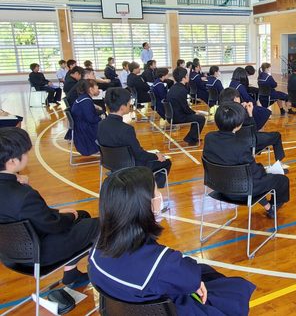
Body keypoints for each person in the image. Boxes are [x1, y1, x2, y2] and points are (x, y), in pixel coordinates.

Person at [88, 166, 255, 314]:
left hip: (124, 308)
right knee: (235, 289)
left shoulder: (95, 250)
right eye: (156, 191)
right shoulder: (164, 263)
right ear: (145, 206)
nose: (160, 194)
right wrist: (194, 282)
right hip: (171, 309)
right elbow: (190, 278)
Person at [0, 127, 99, 286]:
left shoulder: (15, 189)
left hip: (8, 251)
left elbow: (23, 215)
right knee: (98, 225)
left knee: (83, 215)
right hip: (38, 254)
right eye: (25, 154)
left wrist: (59, 213)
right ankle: (107, 275)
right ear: (12, 161)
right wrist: (68, 215)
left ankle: (71, 274)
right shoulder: (24, 195)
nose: (27, 156)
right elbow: (53, 226)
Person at [203, 102, 290, 218]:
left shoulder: (209, 138)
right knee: (282, 180)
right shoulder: (240, 146)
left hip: (218, 186)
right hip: (240, 191)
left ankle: (268, 207)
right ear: (238, 125)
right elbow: (255, 174)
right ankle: (273, 206)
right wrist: (264, 170)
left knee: (244, 177)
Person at [97, 88, 171, 188]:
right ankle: (152, 190)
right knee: (166, 162)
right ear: (122, 107)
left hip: (111, 164)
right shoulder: (126, 129)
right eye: (128, 103)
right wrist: (156, 156)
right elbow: (139, 155)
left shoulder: (101, 124)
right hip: (130, 166)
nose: (130, 104)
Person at [219, 88, 288, 169]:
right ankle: (280, 164)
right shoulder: (243, 112)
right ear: (235, 99)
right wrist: (250, 113)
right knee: (276, 135)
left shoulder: (221, 112)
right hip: (249, 143)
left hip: (230, 144)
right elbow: (254, 130)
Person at [166, 67, 205, 146]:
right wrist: (195, 112)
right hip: (178, 117)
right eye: (187, 75)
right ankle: (192, 139)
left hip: (171, 115)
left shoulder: (174, 87)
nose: (188, 77)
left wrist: (193, 112)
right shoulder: (182, 90)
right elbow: (185, 108)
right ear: (184, 78)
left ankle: (191, 137)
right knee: (201, 118)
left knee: (196, 117)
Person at [71, 80, 103, 156]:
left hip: (80, 126)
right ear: (90, 89)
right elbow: (91, 119)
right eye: (97, 88)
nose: (98, 90)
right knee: (106, 125)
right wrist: (101, 118)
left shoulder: (83, 98)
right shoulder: (86, 101)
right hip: (84, 129)